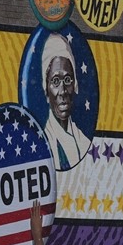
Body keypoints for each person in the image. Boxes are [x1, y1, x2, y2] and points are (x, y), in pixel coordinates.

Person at [41, 32, 92, 170]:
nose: (62, 91)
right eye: (55, 81)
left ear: (74, 85)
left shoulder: (84, 142)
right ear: (46, 89)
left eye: (67, 80)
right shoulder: (43, 144)